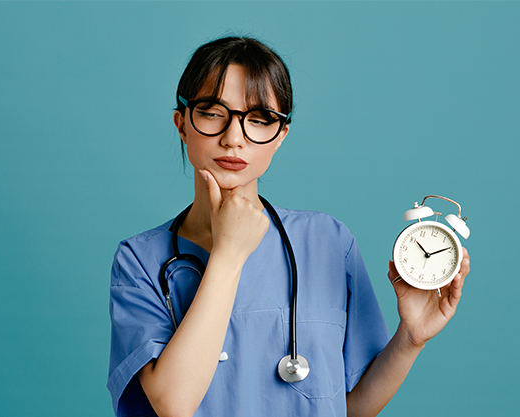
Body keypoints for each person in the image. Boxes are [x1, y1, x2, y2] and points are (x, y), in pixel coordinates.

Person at [107, 36, 471, 417]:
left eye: (259, 119)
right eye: (213, 112)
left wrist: (410, 338)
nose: (234, 139)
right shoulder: (140, 261)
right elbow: (174, 404)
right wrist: (229, 255)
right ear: (182, 124)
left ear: (280, 135)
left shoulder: (329, 243)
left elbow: (350, 408)